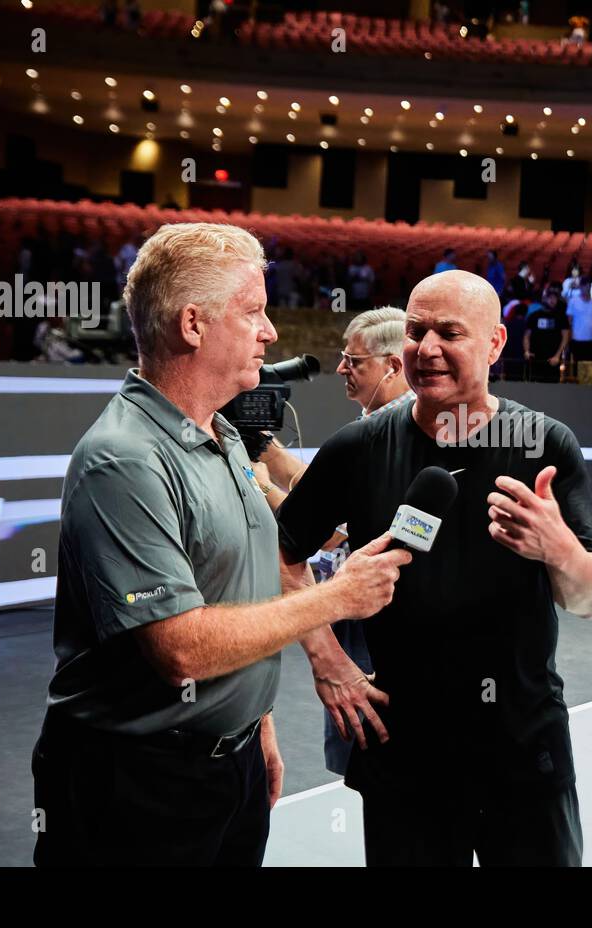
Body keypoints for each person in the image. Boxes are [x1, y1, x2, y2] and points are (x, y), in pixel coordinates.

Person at [32, 223, 410, 867]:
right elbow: (180, 648)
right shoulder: (123, 460)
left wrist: (254, 724)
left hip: (225, 766)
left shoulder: (226, 439)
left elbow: (239, 585)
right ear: (192, 325)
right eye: (253, 312)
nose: (271, 332)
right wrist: (337, 598)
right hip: (136, 785)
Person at [275, 269, 592, 866]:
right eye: (415, 330)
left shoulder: (546, 445)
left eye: (449, 332)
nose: (426, 348)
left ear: (496, 343)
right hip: (403, 753)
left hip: (522, 748)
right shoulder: (358, 447)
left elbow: (589, 599)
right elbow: (281, 553)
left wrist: (557, 548)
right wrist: (328, 660)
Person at [254, 308, 414, 776]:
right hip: (353, 615)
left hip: (369, 622)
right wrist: (275, 458)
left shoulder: (385, 435)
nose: (342, 368)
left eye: (354, 360)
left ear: (392, 365)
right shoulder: (379, 426)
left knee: (372, 756)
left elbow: (327, 531)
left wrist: (258, 481)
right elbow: (329, 494)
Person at [523, 286, 571, 382]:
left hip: (553, 360)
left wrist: (558, 356)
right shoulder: (534, 316)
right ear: (544, 299)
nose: (552, 300)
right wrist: (527, 351)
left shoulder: (561, 317)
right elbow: (526, 336)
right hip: (535, 359)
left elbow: (565, 338)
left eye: (555, 298)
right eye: (550, 297)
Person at [565, 282, 592, 364]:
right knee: (577, 367)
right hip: (576, 340)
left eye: (588, 286)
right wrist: (569, 339)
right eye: (584, 286)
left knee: (591, 367)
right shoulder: (573, 301)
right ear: (580, 287)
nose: (586, 288)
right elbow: (569, 322)